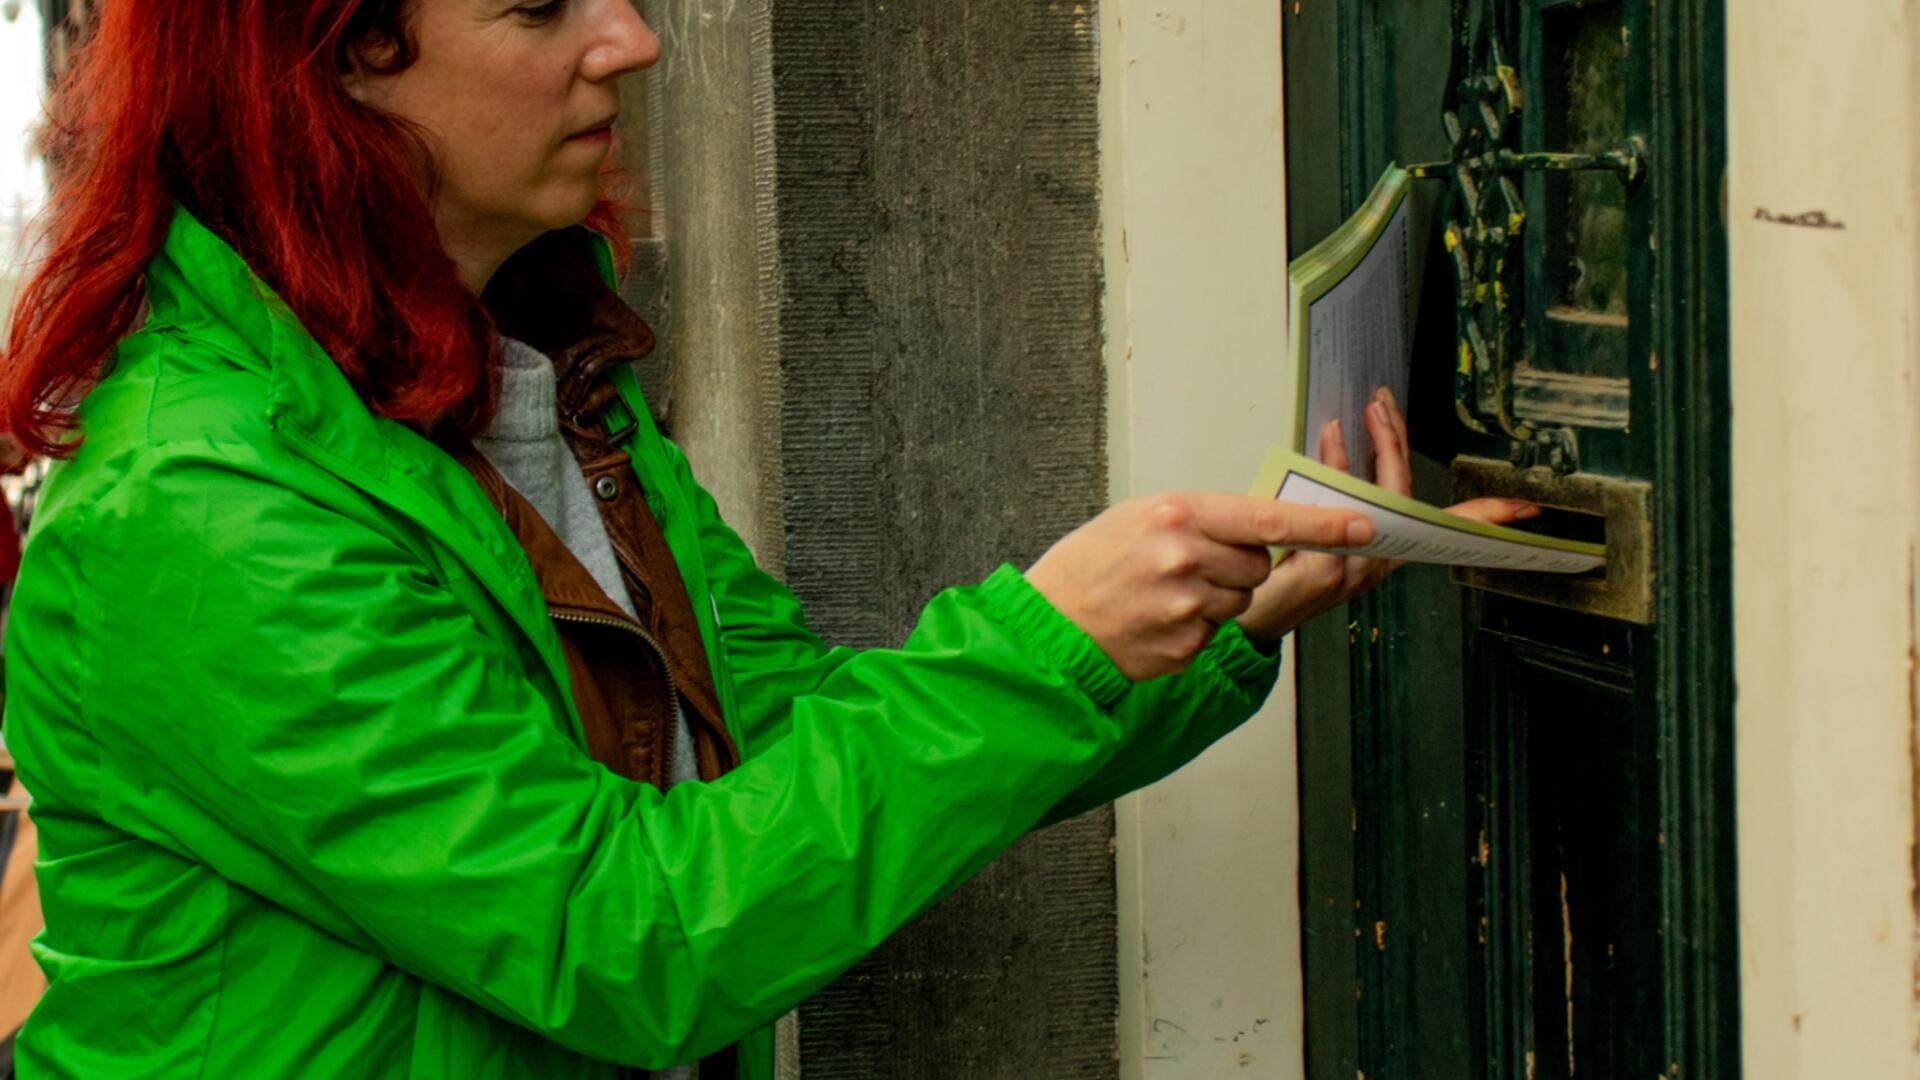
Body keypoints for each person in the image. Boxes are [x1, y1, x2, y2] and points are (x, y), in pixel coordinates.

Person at [0, 1, 1531, 1077]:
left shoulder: (536, 371)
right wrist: (1044, 648)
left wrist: (1206, 618)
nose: (634, 39)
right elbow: (621, 935)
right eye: (541, 6)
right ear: (326, 63)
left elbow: (791, 751)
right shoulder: (197, 506)